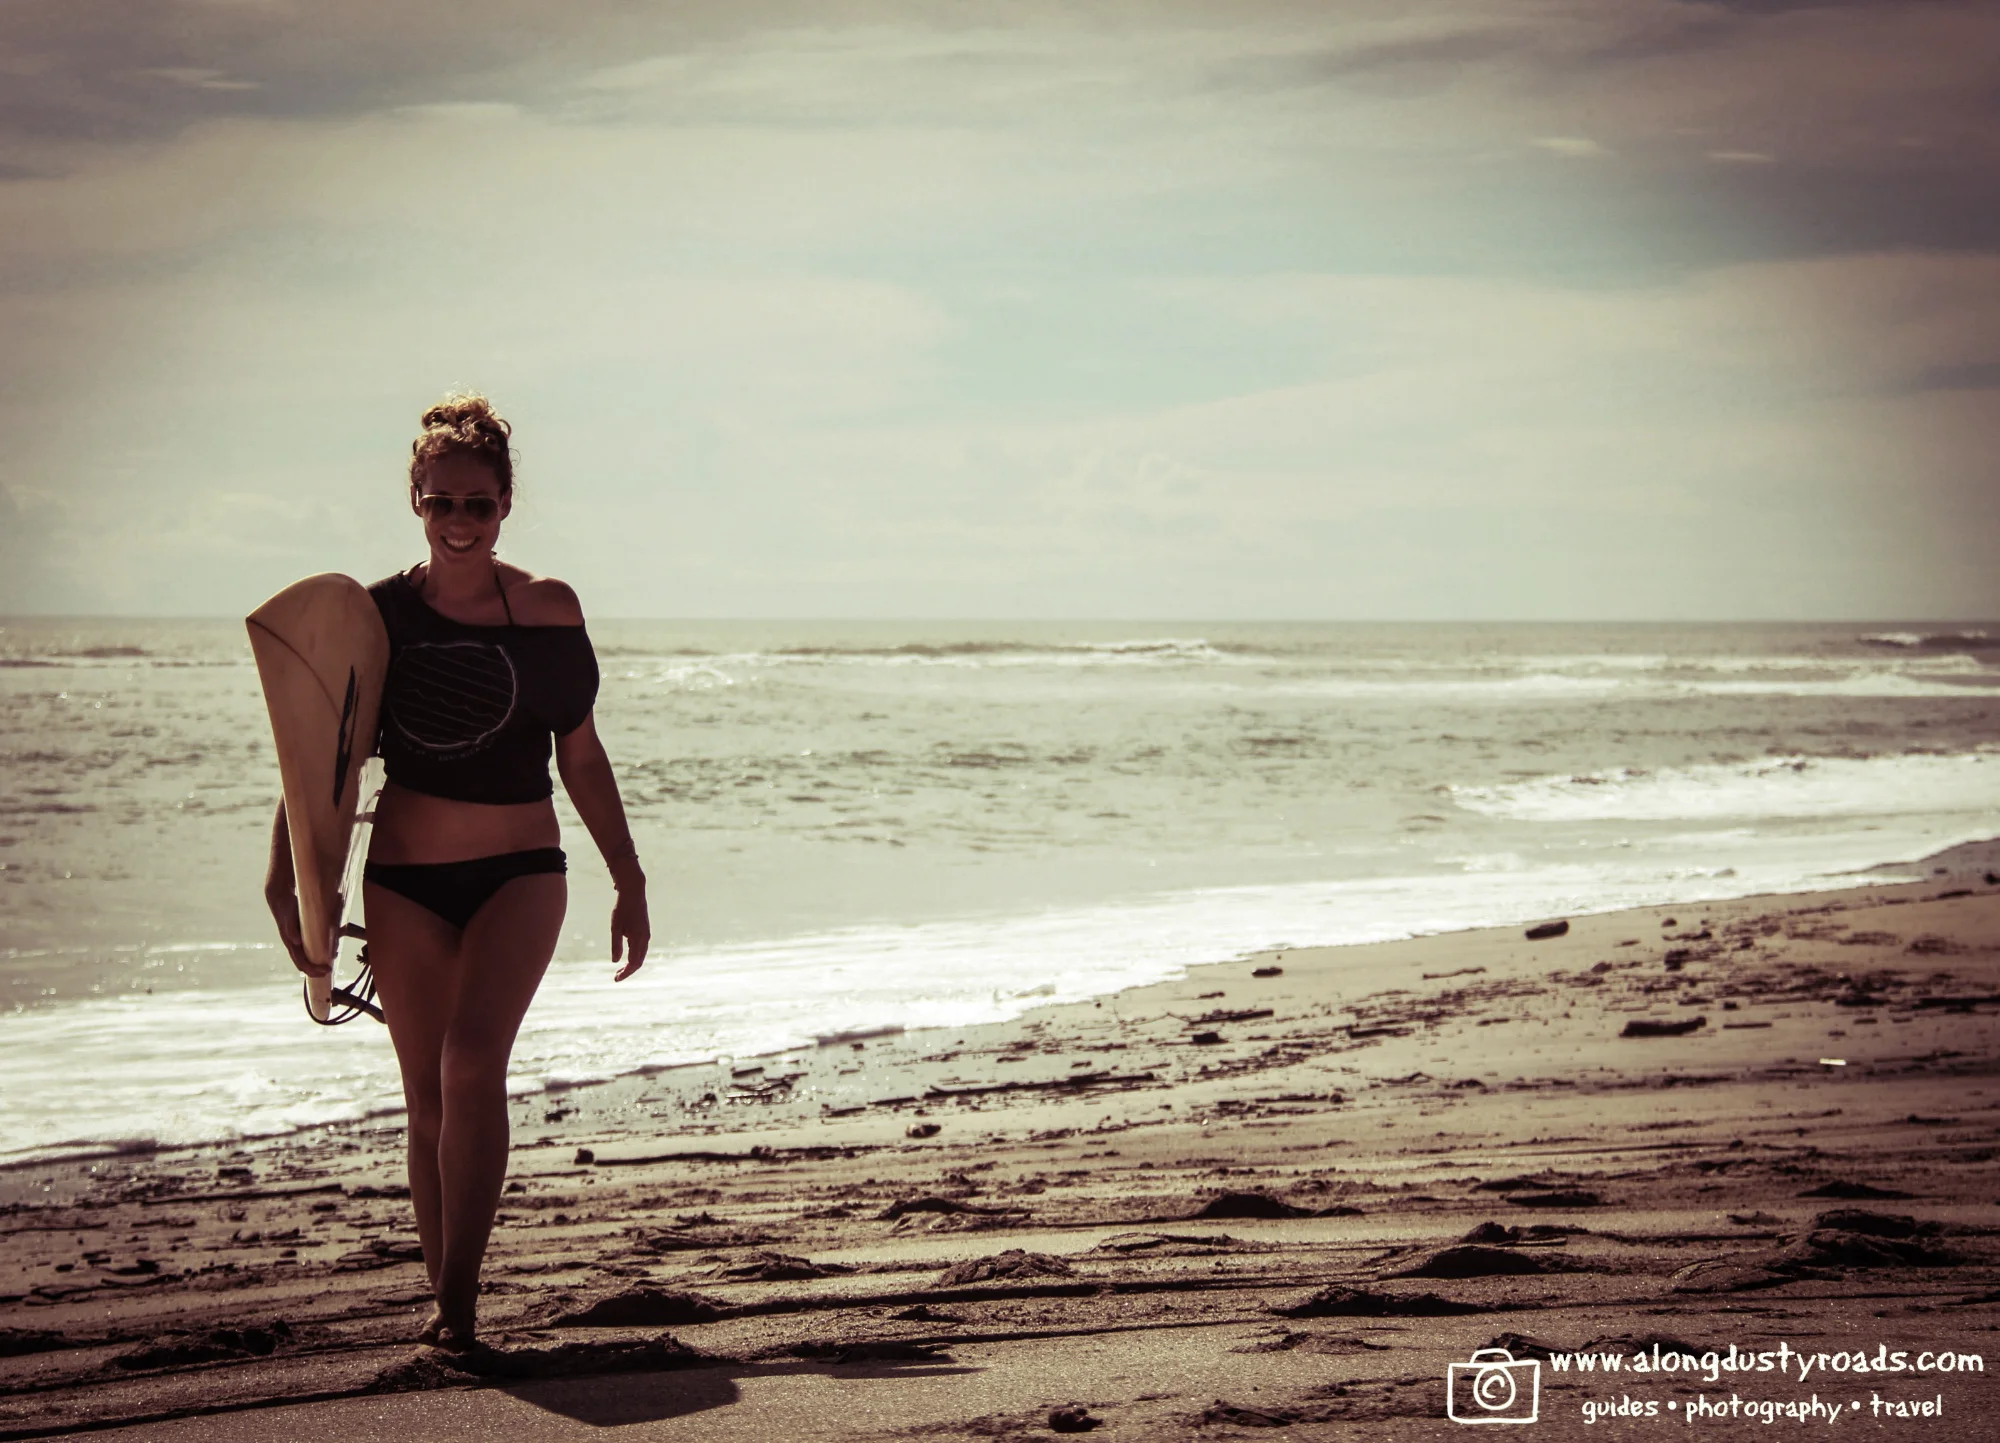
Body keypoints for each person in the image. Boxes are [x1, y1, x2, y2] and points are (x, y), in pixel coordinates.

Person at [263, 393, 649, 1351]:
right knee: (426, 1095)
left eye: (478, 503)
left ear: (506, 505)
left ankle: (459, 1305)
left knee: (474, 1063)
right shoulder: (375, 617)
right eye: (443, 503)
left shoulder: (550, 610)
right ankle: (448, 1303)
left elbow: (583, 757)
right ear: (417, 503)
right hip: (403, 882)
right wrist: (287, 872)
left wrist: (629, 877)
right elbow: (325, 755)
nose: (461, 521)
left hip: (521, 869)